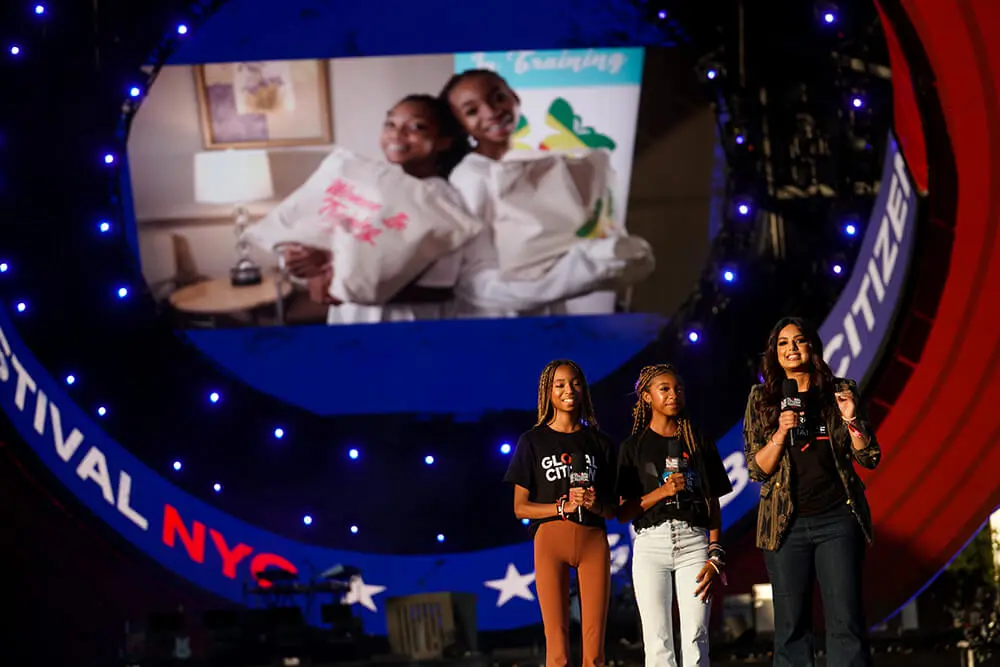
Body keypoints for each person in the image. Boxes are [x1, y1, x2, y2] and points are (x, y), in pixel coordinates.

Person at [251, 94, 646, 323]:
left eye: (416, 127)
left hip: (406, 326)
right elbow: (322, 241)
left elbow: (443, 291)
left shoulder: (447, 202)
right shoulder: (360, 185)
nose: (396, 135)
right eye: (391, 124)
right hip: (350, 319)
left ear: (442, 141)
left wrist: (339, 278)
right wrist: (304, 263)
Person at [440, 69, 654, 318]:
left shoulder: (535, 162)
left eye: (498, 97)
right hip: (499, 322)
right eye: (472, 111)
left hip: (548, 312)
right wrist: (586, 266)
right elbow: (475, 279)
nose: (491, 111)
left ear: (515, 97)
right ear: (461, 125)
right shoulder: (471, 177)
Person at [742, 316, 881, 667]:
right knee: (790, 627)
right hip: (786, 525)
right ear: (775, 352)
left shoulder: (838, 390)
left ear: (812, 347)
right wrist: (779, 432)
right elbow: (757, 469)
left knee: (844, 621)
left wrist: (850, 418)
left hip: (836, 517)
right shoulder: (762, 399)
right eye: (783, 343)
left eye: (798, 340)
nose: (791, 348)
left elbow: (869, 456)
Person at [616, 364, 732, 667]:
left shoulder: (698, 440)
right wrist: (663, 492)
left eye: (678, 388)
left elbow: (712, 501)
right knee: (657, 639)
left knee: (695, 634)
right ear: (646, 396)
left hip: (693, 544)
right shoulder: (632, 447)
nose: (673, 395)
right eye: (664, 389)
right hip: (650, 545)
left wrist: (715, 553)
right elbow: (623, 512)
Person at [504, 360, 617, 667]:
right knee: (556, 643)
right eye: (560, 384)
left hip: (593, 540)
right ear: (548, 392)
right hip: (549, 540)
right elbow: (519, 508)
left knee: (594, 647)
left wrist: (594, 503)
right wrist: (561, 507)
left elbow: (614, 510)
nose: (569, 390)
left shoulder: (601, 442)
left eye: (575, 383)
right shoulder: (532, 441)